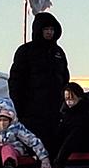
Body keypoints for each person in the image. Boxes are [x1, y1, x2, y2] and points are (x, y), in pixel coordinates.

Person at [9, 11, 69, 152]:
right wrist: (19, 106)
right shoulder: (25, 51)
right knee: (33, 145)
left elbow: (65, 78)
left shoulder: (59, 52)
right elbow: (15, 80)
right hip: (31, 110)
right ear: (38, 30)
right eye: (46, 29)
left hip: (55, 109)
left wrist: (64, 103)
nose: (49, 32)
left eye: (52, 29)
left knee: (53, 144)